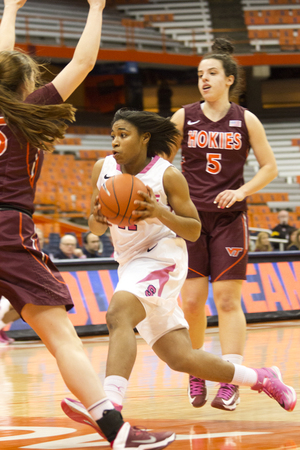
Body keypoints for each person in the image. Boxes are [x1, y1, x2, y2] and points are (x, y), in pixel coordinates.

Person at [0, 1, 175, 448]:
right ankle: (117, 431)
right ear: (26, 86)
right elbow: (83, 62)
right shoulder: (29, 112)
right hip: (8, 230)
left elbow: (2, 61)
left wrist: (11, 10)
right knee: (61, 338)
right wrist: (96, 7)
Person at [61, 108, 296, 430]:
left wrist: (159, 211)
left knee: (119, 315)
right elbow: (95, 227)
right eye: (113, 135)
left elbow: (193, 229)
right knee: (181, 357)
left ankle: (108, 403)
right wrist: (99, 218)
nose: (115, 141)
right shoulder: (103, 168)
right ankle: (263, 378)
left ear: (145, 138)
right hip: (129, 262)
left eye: (123, 134)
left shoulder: (166, 175)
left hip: (162, 258)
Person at [169, 38, 278, 411]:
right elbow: (161, 162)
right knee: (192, 302)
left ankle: (231, 378)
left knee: (228, 300)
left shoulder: (246, 119)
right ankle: (197, 369)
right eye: (200, 74)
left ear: (229, 79)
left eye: (212, 73)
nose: (204, 79)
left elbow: (269, 167)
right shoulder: (183, 116)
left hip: (230, 218)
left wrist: (241, 189)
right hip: (191, 220)